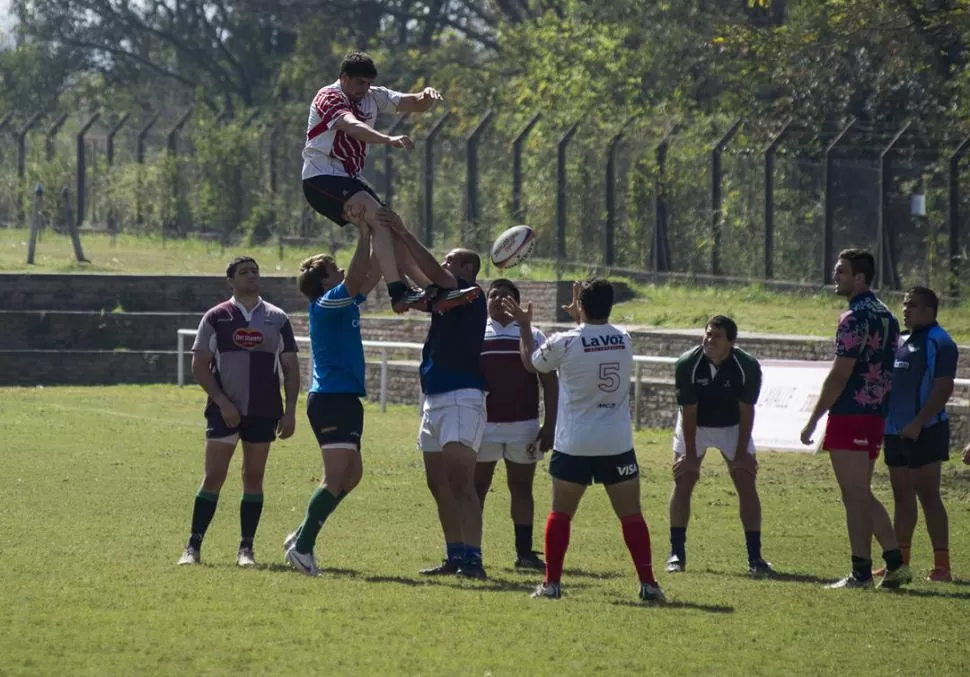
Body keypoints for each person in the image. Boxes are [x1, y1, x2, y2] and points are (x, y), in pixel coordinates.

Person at [504, 280, 665, 602]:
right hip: (616, 443)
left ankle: (552, 585)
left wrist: (524, 326)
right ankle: (649, 584)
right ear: (611, 305)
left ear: (582, 307)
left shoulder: (566, 341)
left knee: (561, 514)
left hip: (575, 443)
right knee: (631, 515)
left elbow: (530, 362)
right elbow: (595, 343)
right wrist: (583, 314)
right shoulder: (624, 339)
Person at [301, 50, 478, 314]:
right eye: (360, 83)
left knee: (393, 227)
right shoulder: (329, 96)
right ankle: (397, 291)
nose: (365, 89)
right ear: (344, 78)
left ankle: (434, 291)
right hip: (321, 178)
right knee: (380, 217)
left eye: (369, 83)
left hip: (349, 178)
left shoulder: (372, 95)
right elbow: (351, 126)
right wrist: (388, 139)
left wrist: (426, 95)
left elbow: (413, 103)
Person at [377, 208, 489, 579]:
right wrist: (385, 234)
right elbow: (413, 268)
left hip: (462, 396)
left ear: (469, 268)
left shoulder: (471, 292)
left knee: (461, 482)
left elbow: (428, 268)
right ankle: (454, 555)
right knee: (437, 483)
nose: (444, 263)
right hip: (435, 398)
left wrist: (405, 232)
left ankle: (473, 559)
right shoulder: (442, 290)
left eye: (452, 259)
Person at [800, 248, 911, 589]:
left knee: (856, 493)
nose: (835, 277)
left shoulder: (852, 318)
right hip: (875, 414)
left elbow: (839, 375)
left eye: (842, 271)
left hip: (850, 412)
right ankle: (876, 567)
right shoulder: (888, 316)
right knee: (857, 493)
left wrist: (814, 418)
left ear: (860, 277)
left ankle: (875, 568)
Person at [178, 256, 300, 567]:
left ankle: (246, 549)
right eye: (244, 272)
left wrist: (290, 411)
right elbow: (199, 365)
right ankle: (193, 547)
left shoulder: (278, 318)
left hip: (264, 410)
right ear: (230, 281)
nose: (252, 277)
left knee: (254, 477)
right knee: (214, 476)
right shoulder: (216, 317)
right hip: (224, 411)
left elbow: (290, 367)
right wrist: (222, 401)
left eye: (255, 272)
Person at [283, 224, 384, 575]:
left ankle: (301, 535)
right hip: (331, 398)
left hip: (345, 398)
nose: (341, 271)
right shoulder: (327, 304)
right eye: (335, 269)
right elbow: (358, 276)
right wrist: (363, 236)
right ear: (326, 282)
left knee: (352, 475)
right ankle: (303, 548)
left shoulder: (341, 300)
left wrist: (382, 235)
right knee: (335, 476)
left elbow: (370, 275)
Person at [667, 315, 774, 576]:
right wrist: (690, 456)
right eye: (707, 334)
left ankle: (755, 557)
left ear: (731, 342)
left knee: (745, 479)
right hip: (697, 424)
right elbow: (689, 411)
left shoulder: (747, 366)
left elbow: (747, 410)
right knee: (684, 478)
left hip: (733, 425)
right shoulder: (687, 364)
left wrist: (741, 455)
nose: (709, 340)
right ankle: (676, 554)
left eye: (716, 336)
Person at [476, 279, 558, 570]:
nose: (499, 299)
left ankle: (524, 553)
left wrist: (549, 425)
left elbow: (547, 380)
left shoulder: (533, 334)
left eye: (506, 295)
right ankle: (472, 552)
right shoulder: (475, 332)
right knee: (477, 487)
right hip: (482, 426)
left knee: (521, 488)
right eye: (494, 295)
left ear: (518, 301)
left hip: (523, 425)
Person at [881, 286, 958, 582]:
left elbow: (943, 388)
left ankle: (942, 566)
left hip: (926, 429)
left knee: (928, 495)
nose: (906, 309)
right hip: (894, 431)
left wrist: (918, 422)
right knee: (901, 496)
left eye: (912, 305)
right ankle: (899, 562)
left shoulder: (941, 342)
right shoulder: (900, 340)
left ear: (929, 310)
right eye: (904, 304)